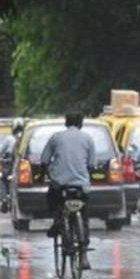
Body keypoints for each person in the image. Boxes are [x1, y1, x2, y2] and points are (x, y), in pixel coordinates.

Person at [42, 112, 94, 269]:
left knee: (52, 198)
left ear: (65, 123)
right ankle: (84, 255)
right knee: (84, 217)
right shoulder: (88, 139)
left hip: (60, 185)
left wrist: (47, 172)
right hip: (81, 186)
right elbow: (91, 165)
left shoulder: (56, 138)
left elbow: (44, 160)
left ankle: (57, 221)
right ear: (81, 123)